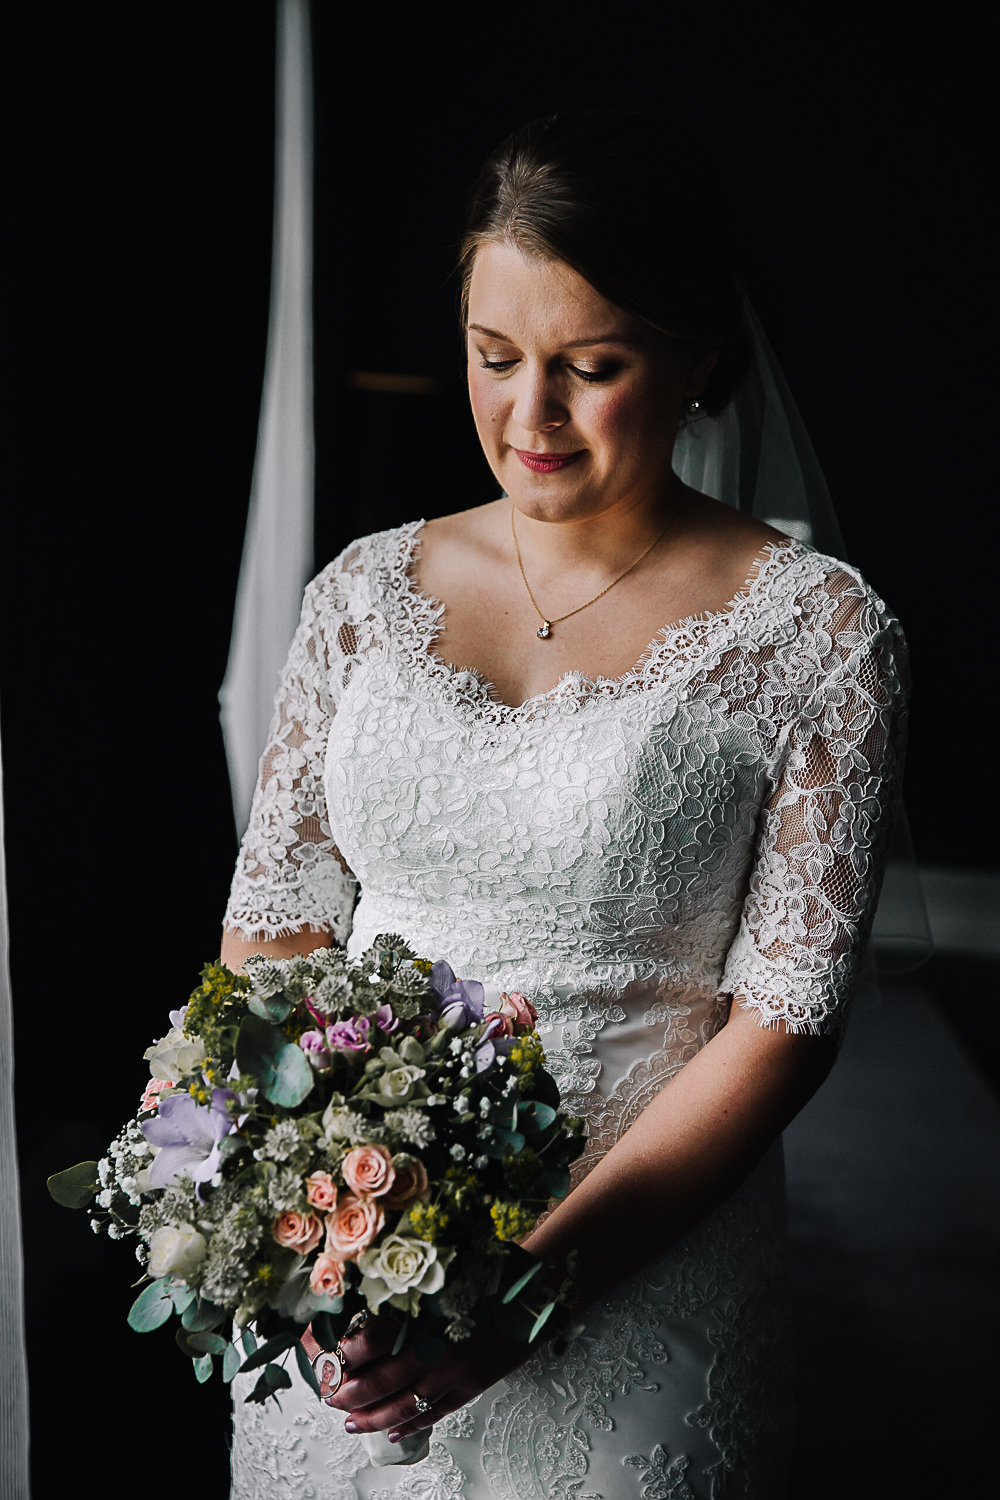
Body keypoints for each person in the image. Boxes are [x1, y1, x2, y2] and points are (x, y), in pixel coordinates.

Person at [223, 110, 908, 1500]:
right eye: (494, 358)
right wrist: (323, 1223)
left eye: (591, 369)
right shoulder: (360, 596)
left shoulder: (819, 633)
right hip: (358, 1280)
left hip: (641, 1288)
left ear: (700, 360)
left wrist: (533, 1283)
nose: (528, 418)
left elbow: (782, 1024)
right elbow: (275, 937)